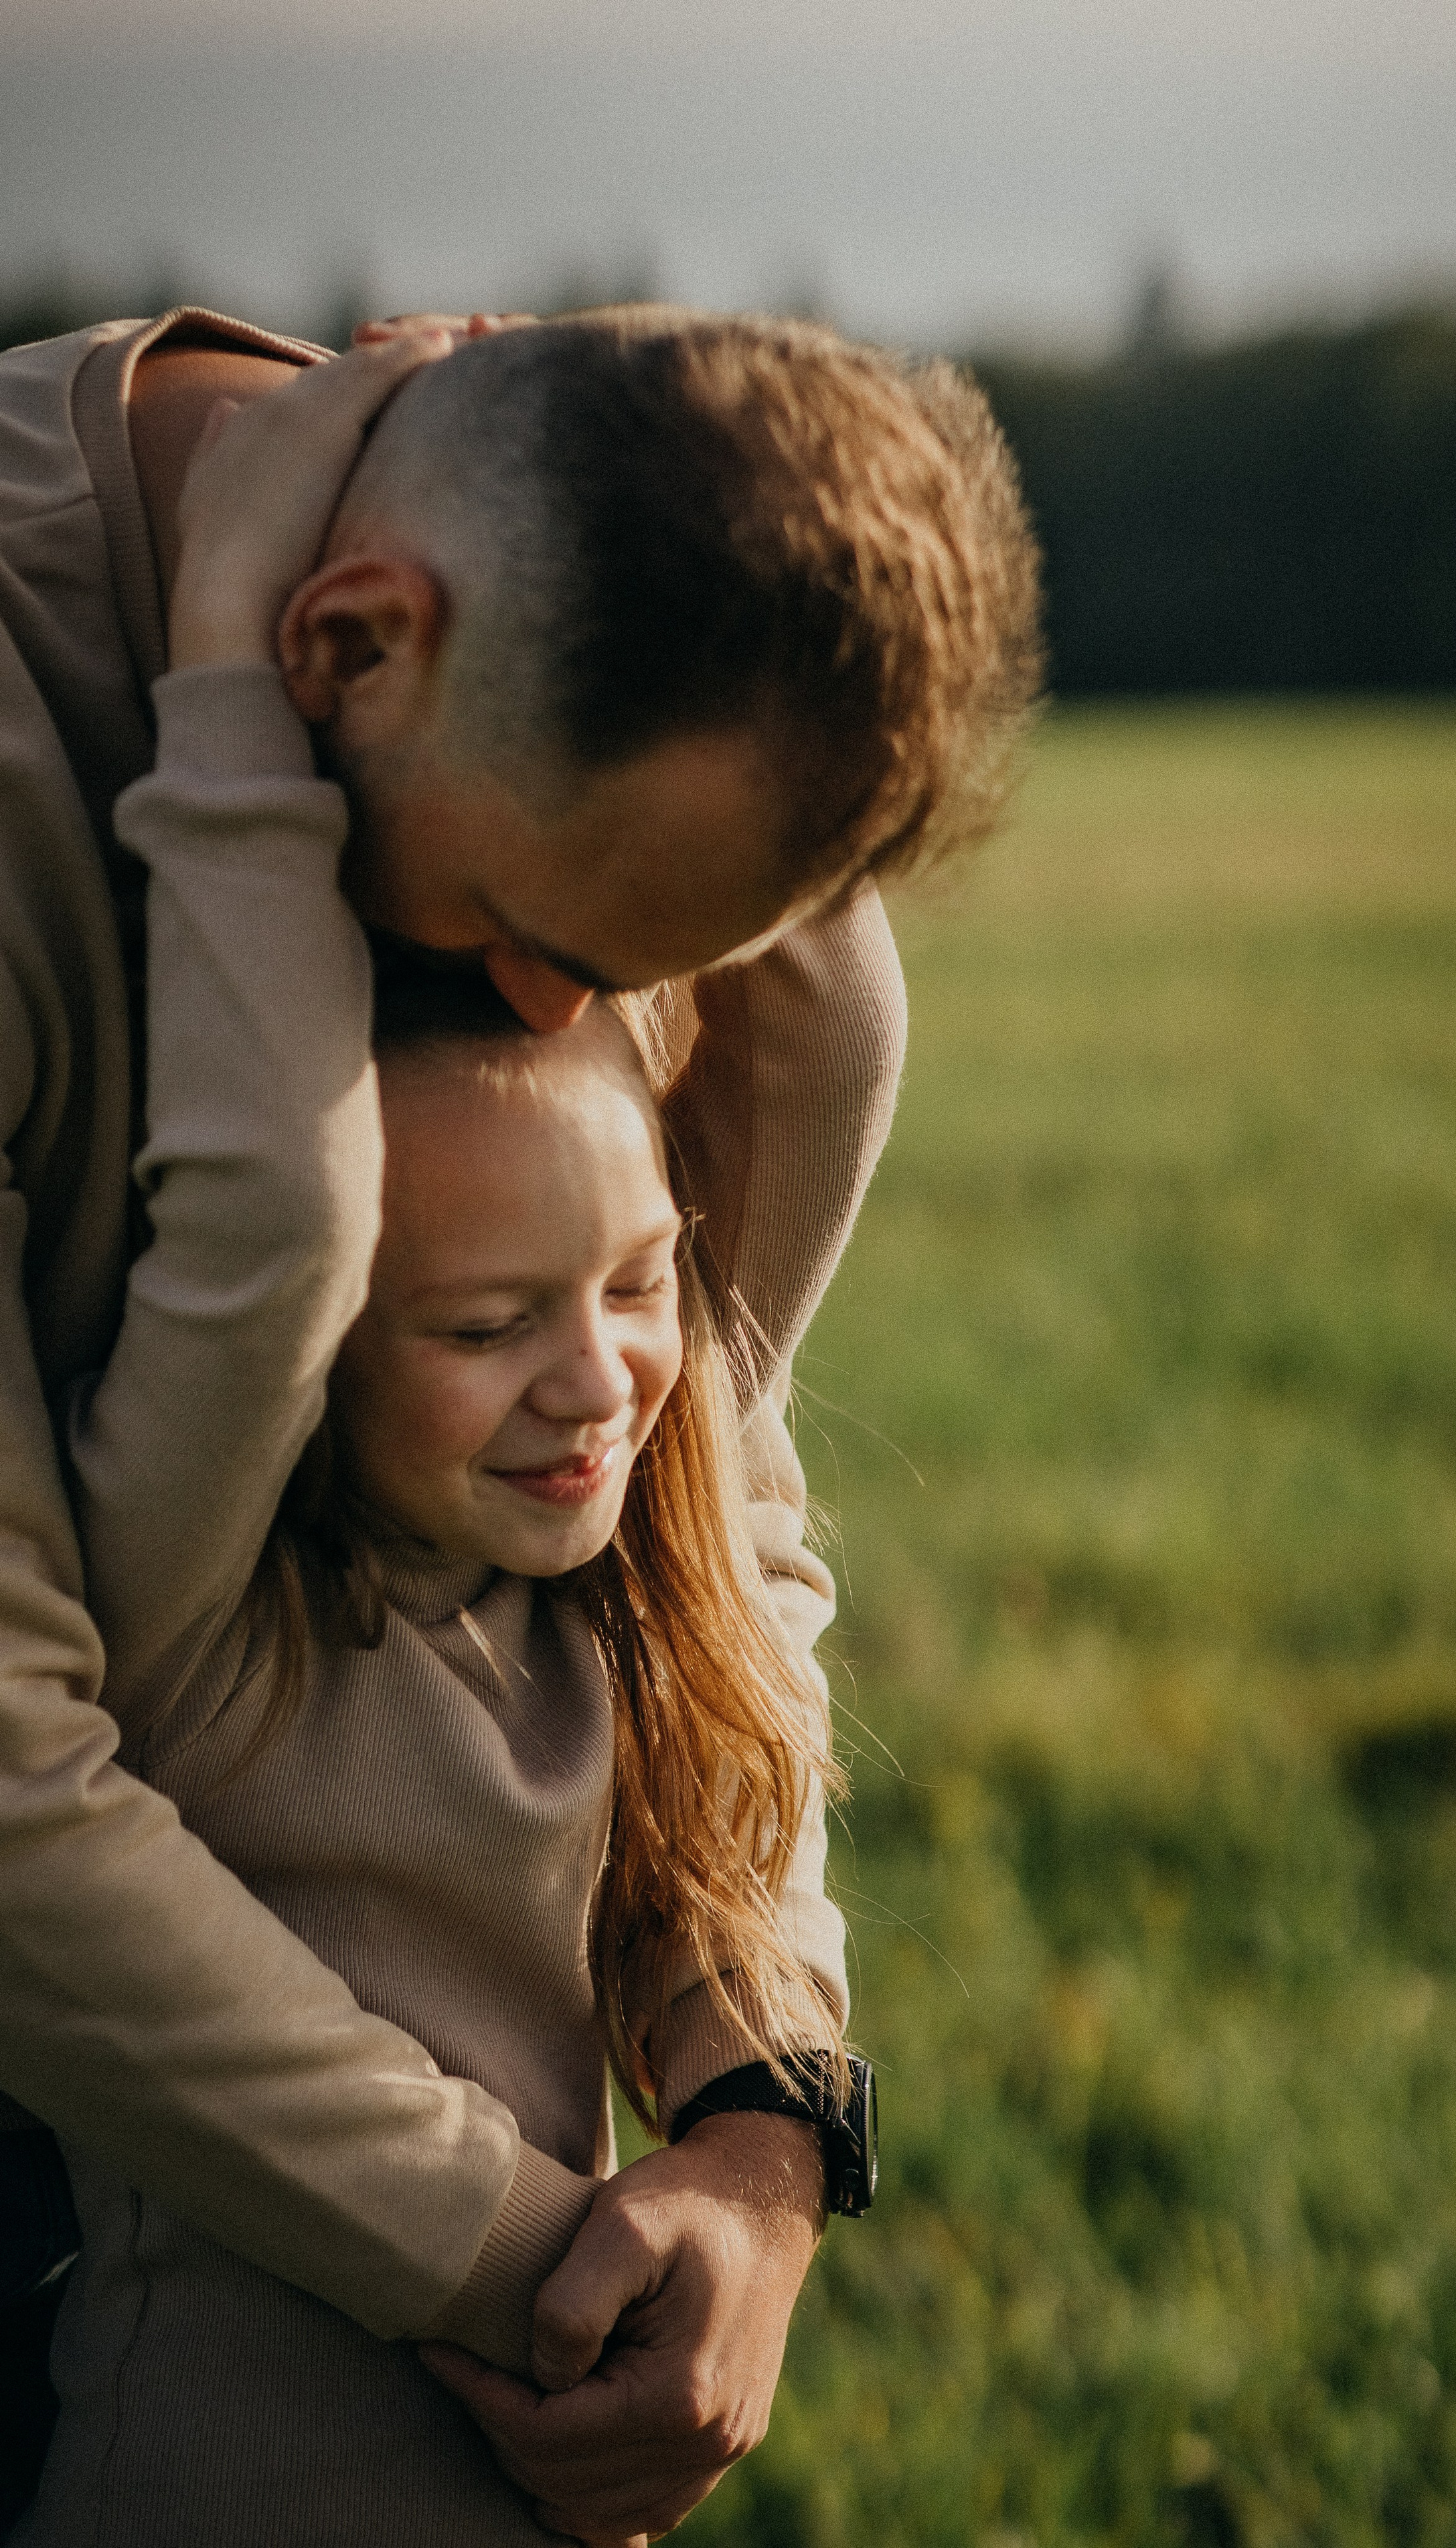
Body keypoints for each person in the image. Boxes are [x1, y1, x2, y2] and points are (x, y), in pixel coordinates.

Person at [0, 302, 1040, 2529]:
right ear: (344, 645)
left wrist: (764, 2125)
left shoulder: (569, 602)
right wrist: (531, 2267)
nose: (563, 1011)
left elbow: (695, 1505)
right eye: (528, 930)